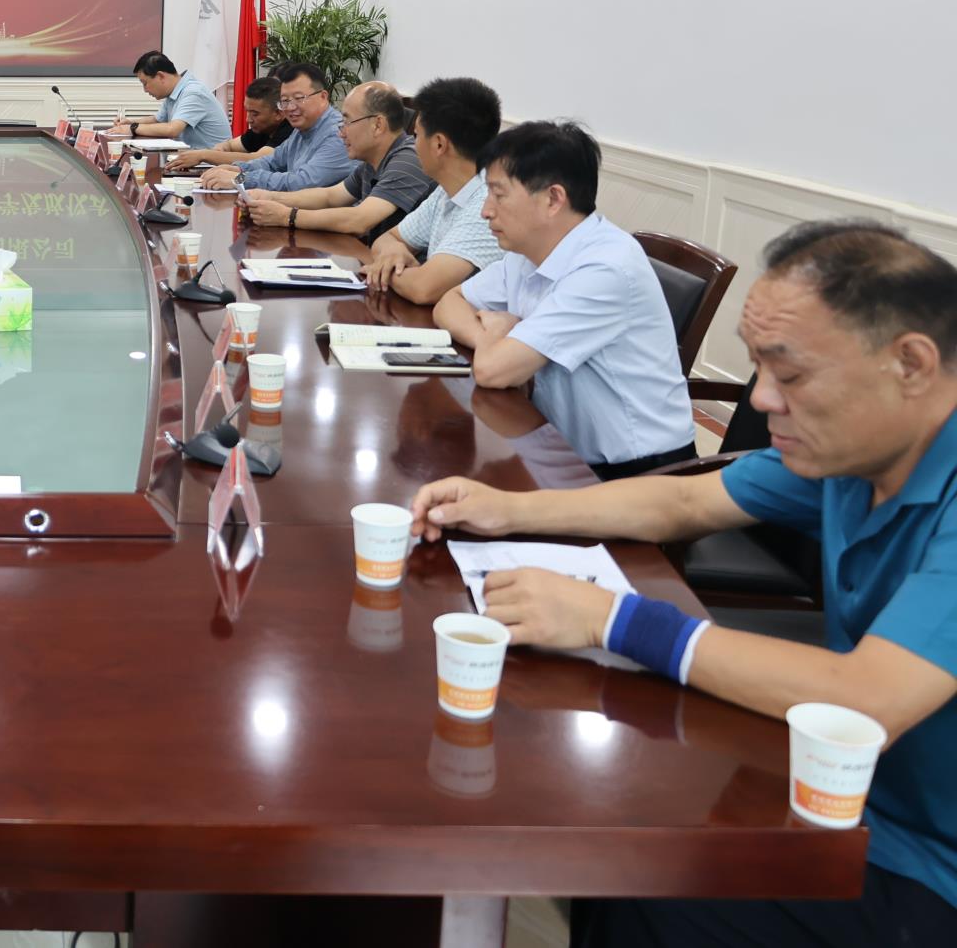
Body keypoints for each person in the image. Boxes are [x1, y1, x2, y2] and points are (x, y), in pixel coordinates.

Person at [410, 221, 957, 947]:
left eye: (790, 375)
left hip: (928, 865)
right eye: (759, 370)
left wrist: (614, 619)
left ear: (911, 364)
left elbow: (869, 697)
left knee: (647, 879)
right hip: (840, 785)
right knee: (613, 832)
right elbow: (685, 500)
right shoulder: (862, 447)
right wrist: (507, 509)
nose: (762, 401)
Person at [432, 120, 695, 479]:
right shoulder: (529, 250)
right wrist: (491, 336)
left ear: (553, 199)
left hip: (639, 473)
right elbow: (448, 303)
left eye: (499, 194)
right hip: (557, 445)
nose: (486, 210)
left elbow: (493, 371)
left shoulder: (605, 268)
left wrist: (501, 340)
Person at [362, 76, 505, 304]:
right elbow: (386, 239)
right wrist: (393, 252)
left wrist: (385, 270)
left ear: (439, 144)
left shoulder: (488, 205)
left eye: (416, 135)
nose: (412, 144)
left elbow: (423, 289)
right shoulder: (446, 190)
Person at [241, 82, 434, 240]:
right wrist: (268, 197)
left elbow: (359, 220)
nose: (341, 133)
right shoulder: (371, 162)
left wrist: (286, 216)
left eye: (347, 122)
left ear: (378, 125)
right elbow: (330, 196)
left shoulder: (407, 161)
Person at [200, 63, 351, 192]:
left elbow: (302, 182)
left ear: (323, 97)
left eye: (299, 98)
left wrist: (240, 179)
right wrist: (238, 169)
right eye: (285, 101)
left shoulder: (337, 134)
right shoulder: (302, 129)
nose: (290, 108)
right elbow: (272, 162)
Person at [104, 51, 231, 151]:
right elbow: (158, 120)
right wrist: (130, 122)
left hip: (211, 165)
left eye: (145, 83)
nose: (145, 90)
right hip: (190, 160)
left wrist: (133, 128)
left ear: (160, 76)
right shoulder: (174, 91)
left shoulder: (193, 92)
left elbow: (172, 129)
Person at [166, 76, 292, 170]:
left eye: (255, 114)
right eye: (247, 111)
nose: (248, 119)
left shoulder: (290, 130)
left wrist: (204, 155)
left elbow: (258, 160)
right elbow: (229, 145)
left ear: (278, 113)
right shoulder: (262, 129)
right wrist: (219, 150)